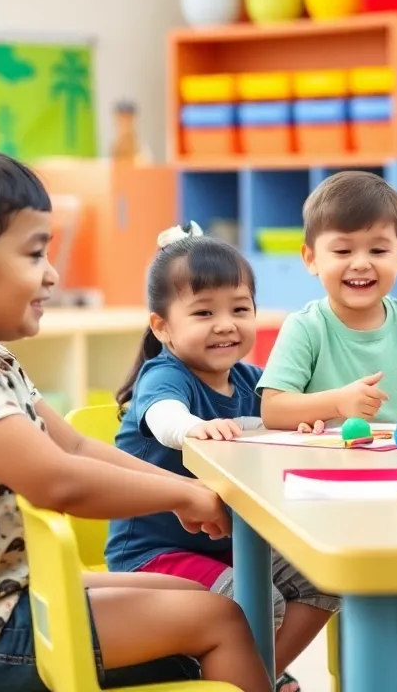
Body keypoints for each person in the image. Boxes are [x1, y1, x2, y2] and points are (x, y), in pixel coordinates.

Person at [0, 128, 270, 692]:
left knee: (194, 596)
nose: (52, 273)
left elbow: (78, 446)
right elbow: (58, 481)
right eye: (34, 253)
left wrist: (185, 490)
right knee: (221, 620)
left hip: (1, 599)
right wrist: (184, 496)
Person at [258, 170, 397, 692]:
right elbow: (273, 408)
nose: (360, 263)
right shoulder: (307, 326)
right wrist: (338, 402)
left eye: (378, 249)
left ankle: (393, 675)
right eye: (342, 250)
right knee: (369, 597)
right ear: (311, 258)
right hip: (326, 496)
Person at [105, 223, 338, 692]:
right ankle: (236, 674)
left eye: (240, 309)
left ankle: (257, 674)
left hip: (234, 548)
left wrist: (308, 422)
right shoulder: (165, 376)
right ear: (162, 327)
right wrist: (192, 427)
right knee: (258, 602)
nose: (226, 324)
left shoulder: (252, 380)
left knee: (326, 577)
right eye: (204, 312)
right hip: (155, 556)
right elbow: (163, 417)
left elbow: (285, 415)